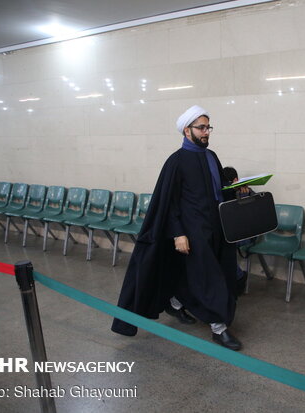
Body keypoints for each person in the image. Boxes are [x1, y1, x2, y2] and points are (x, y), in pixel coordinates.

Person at [111, 105, 242, 351]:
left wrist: (237, 187)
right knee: (208, 277)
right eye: (201, 128)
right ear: (186, 130)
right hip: (192, 231)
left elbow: (219, 188)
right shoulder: (176, 161)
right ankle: (219, 328)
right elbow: (168, 203)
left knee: (205, 273)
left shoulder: (211, 156)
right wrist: (178, 233)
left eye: (208, 127)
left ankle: (175, 300)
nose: (206, 132)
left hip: (217, 228)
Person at [222, 166, 255, 296]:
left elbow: (254, 218)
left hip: (245, 233)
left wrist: (245, 200)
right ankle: (235, 277)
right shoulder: (223, 193)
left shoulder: (248, 192)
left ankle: (238, 277)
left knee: (223, 247)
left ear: (235, 180)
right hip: (228, 232)